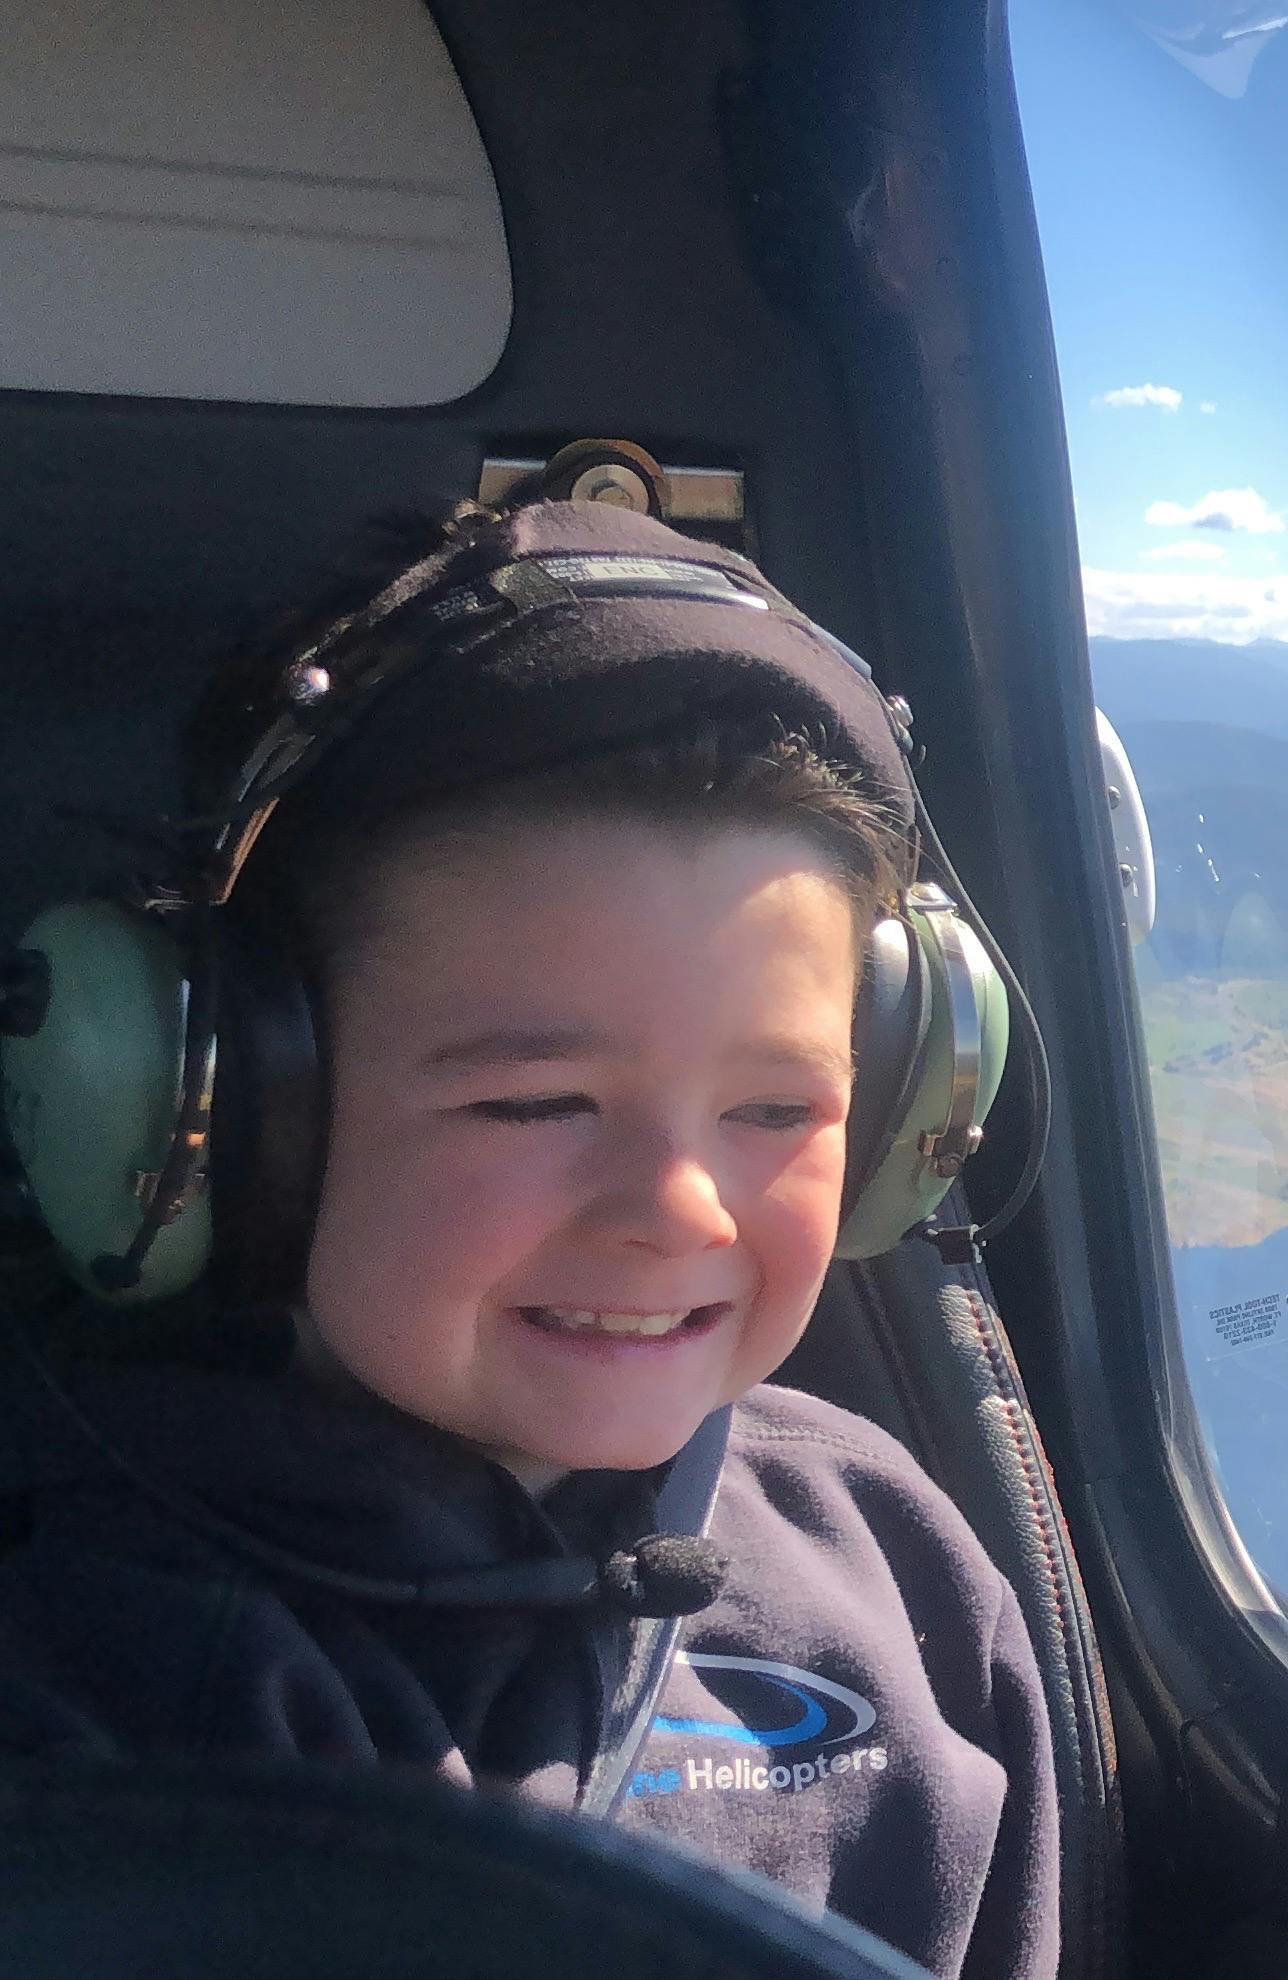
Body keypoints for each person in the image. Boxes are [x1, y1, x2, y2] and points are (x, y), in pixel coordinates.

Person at [0, 497, 1059, 1980]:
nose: (681, 1209)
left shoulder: (896, 1566)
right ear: (228, 1109)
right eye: (536, 1101)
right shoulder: (84, 1686)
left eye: (776, 1109)